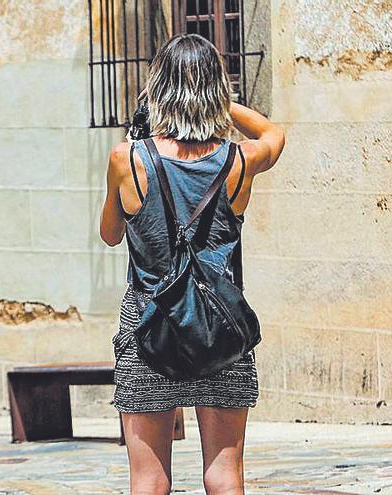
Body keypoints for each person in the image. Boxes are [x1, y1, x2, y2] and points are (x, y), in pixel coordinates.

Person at [99, 34, 285, 494]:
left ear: (159, 88)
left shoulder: (127, 158)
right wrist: (223, 105)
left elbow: (110, 233)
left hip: (148, 320)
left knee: (148, 480)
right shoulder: (238, 161)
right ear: (216, 92)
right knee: (224, 475)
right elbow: (273, 134)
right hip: (218, 322)